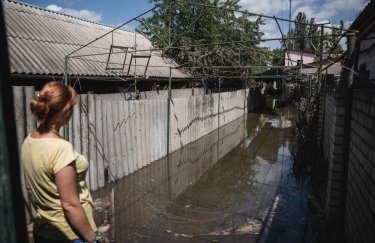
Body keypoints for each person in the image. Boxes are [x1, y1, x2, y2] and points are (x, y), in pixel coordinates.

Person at [21, 81, 99, 243]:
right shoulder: (60, 148)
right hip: (71, 235)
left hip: (43, 230)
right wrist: (92, 238)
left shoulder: (29, 141)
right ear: (66, 111)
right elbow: (70, 205)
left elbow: (29, 188)